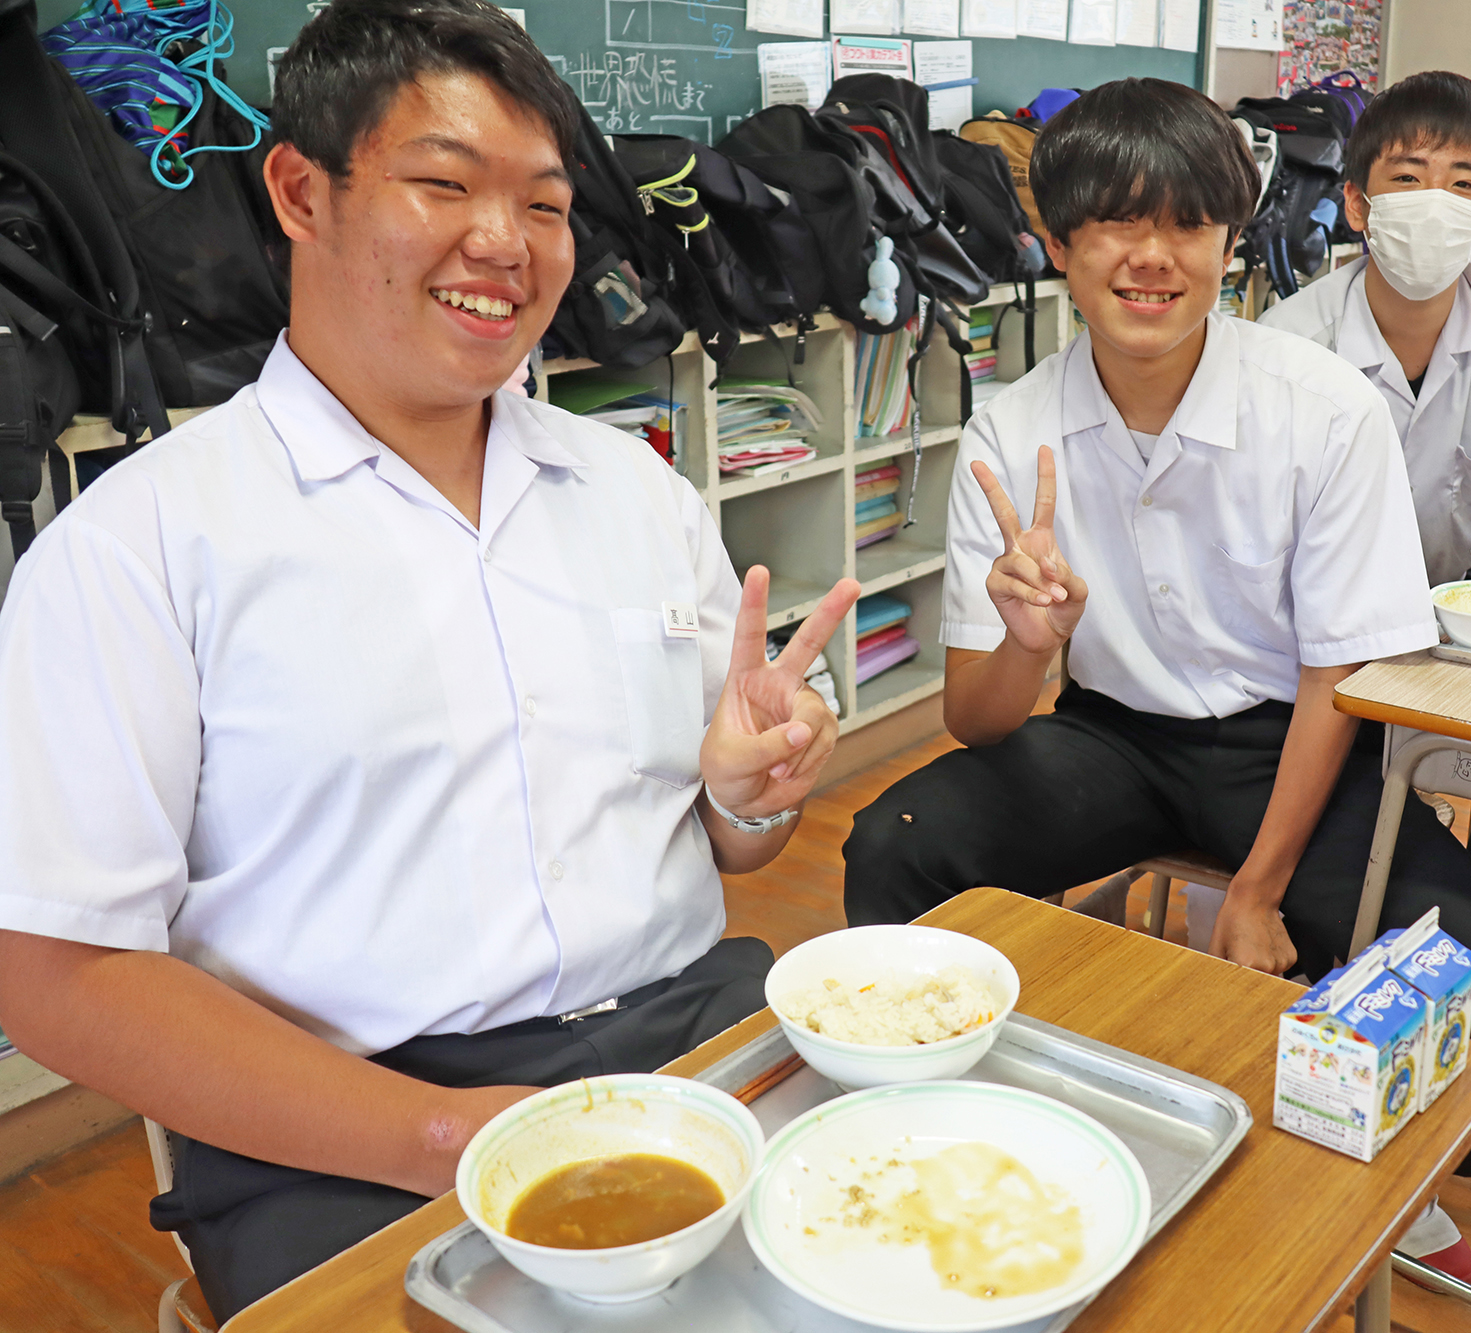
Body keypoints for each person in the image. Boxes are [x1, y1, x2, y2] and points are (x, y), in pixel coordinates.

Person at [0, 0, 857, 1321]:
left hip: (690, 1035)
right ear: (301, 191)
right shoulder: (141, 546)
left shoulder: (638, 498)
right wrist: (450, 1137)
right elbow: (59, 974)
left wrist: (753, 791)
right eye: (443, 186)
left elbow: (735, 848)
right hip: (343, 1117)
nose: (504, 245)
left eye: (548, 205)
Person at [840, 78, 1471, 1285]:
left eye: (1187, 224)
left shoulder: (1324, 412)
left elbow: (1341, 674)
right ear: (1061, 246)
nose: (1150, 257)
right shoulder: (1011, 430)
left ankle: (1353, 1172)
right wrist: (1028, 636)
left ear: (1233, 245)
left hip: (1299, 746)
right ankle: (951, 1117)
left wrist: (1258, 886)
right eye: (1115, 225)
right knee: (895, 844)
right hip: (1110, 736)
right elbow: (977, 720)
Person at [1259, 71, 1471, 947]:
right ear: (1355, 203)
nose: (1436, 204)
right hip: (1320, 646)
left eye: (1463, 184)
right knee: (1353, 853)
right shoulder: (1291, 341)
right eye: (1407, 178)